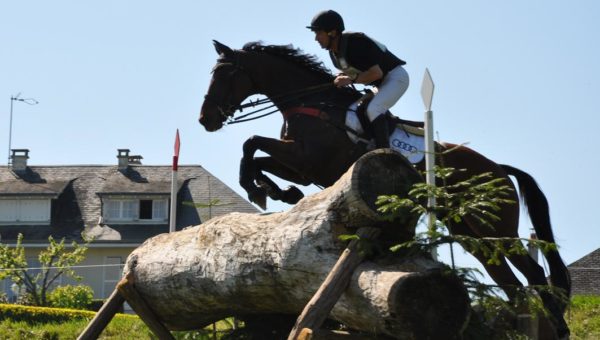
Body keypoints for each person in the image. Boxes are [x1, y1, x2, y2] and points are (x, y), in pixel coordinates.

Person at [306, 9, 409, 148]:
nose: (316, 38)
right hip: (380, 85)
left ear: (332, 32)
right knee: (355, 109)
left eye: (319, 33)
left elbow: (376, 73)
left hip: (395, 77)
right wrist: (340, 76)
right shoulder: (334, 53)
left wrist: (350, 80)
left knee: (374, 108)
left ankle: (384, 152)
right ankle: (369, 142)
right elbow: (351, 72)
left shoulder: (355, 44)